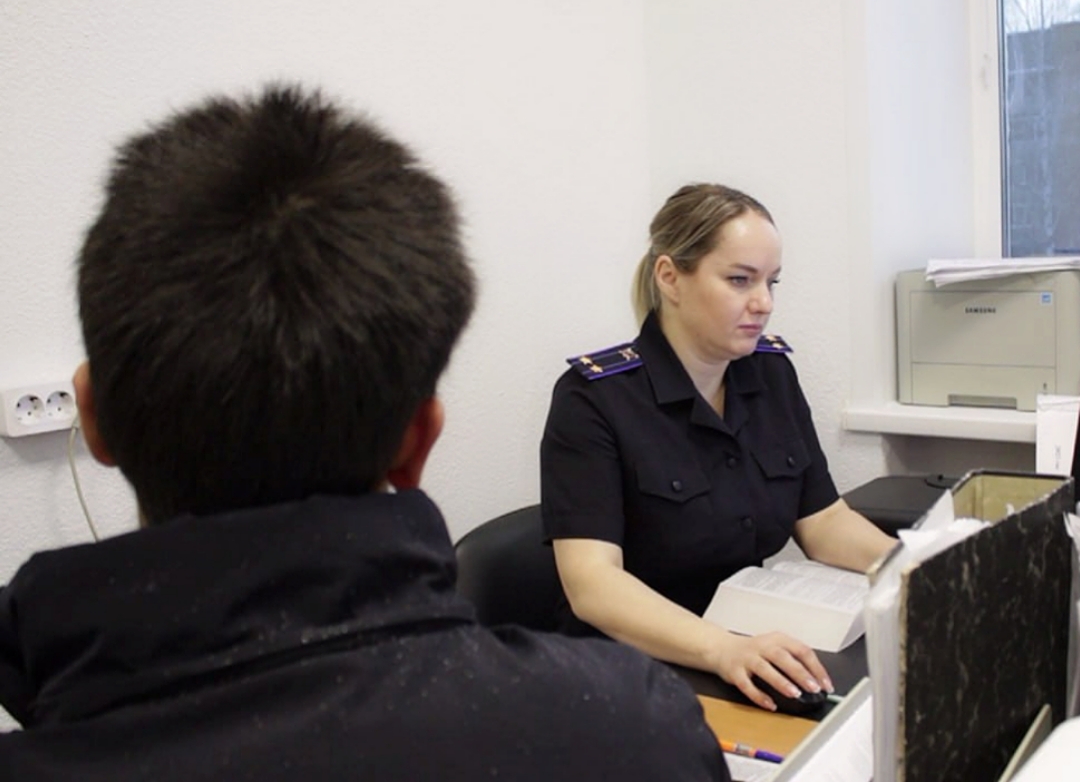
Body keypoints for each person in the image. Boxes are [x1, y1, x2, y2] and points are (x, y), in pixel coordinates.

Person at [0, 86, 729, 782]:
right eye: (739, 278)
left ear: (93, 418)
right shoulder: (631, 730)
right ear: (418, 443)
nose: (759, 302)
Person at [540, 183, 897, 712]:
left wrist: (911, 567)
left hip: (746, 644)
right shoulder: (594, 399)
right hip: (633, 667)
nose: (764, 303)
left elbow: (822, 521)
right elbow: (592, 584)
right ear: (670, 277)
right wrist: (723, 649)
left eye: (772, 282)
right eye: (739, 280)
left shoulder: (771, 373)